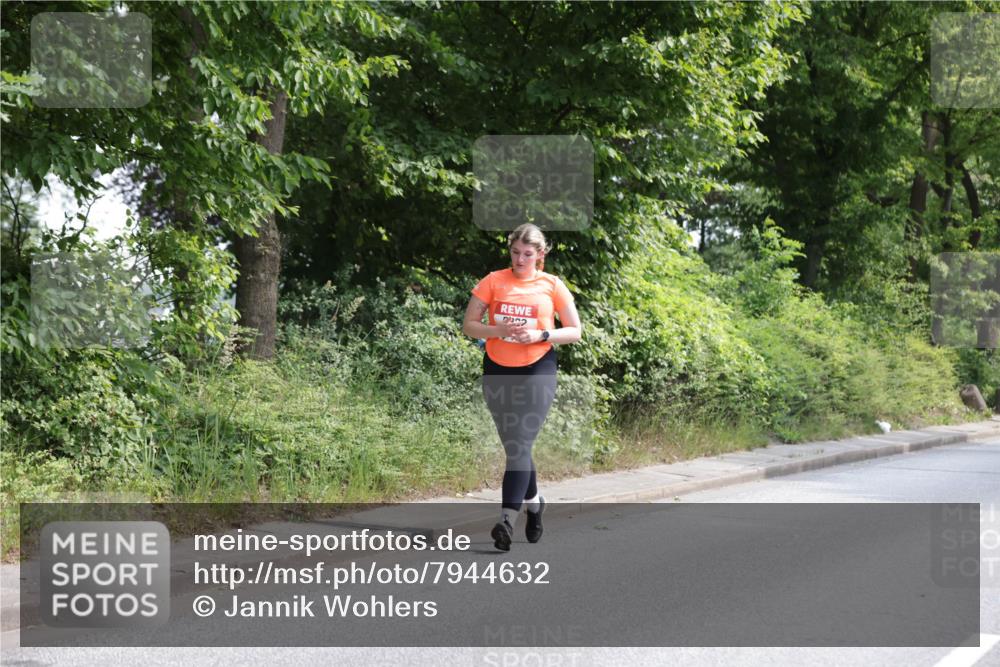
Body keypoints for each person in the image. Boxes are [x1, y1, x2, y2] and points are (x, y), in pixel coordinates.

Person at [462, 223, 582, 551]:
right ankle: (535, 502)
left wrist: (541, 334)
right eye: (515, 252)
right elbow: (469, 326)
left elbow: (574, 331)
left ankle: (505, 520)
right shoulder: (493, 281)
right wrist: (497, 329)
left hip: (538, 369)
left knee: (520, 442)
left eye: (527, 254)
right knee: (516, 445)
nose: (520, 259)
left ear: (540, 254)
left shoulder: (552, 285)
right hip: (498, 369)